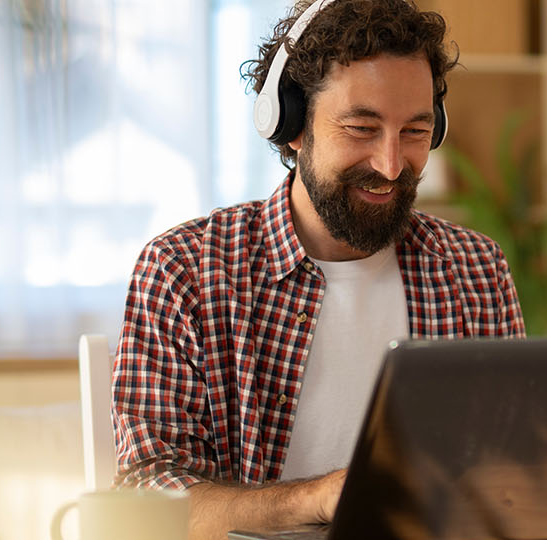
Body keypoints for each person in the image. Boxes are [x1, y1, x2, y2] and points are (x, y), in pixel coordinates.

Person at [112, 1, 526, 538]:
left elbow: (515, 467)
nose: (391, 164)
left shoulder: (474, 270)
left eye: (415, 132)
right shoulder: (186, 271)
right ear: (291, 124)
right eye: (361, 128)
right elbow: (150, 496)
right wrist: (322, 497)